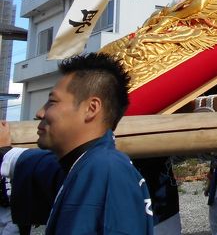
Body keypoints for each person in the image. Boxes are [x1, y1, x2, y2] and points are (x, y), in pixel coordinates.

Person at [0, 53, 154, 234]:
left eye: (52, 101)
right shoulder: (88, 164)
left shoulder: (104, 170)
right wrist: (4, 151)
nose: (40, 112)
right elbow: (41, 164)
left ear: (91, 108)